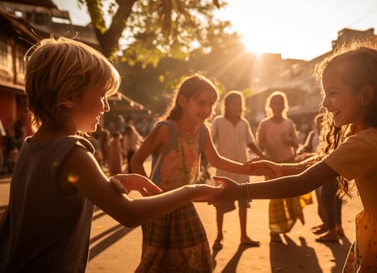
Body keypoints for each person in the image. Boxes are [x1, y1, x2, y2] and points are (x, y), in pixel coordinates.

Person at [213, 42, 377, 272]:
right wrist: (285, 168)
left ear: (364, 94)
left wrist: (240, 191)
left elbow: (304, 183)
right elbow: (331, 159)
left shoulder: (368, 142)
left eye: (332, 93)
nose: (324, 103)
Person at [0, 37, 222, 273]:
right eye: (102, 96)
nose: (106, 107)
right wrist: (191, 191)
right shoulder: (74, 153)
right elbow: (129, 214)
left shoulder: (30, 146)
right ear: (69, 97)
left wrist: (108, 184)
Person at [130, 74, 271, 272]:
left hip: (185, 200)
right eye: (201, 103)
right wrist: (148, 193)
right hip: (160, 203)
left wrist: (245, 168)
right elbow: (136, 160)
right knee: (156, 258)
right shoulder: (165, 129)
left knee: (198, 249)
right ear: (182, 101)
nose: (206, 110)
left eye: (211, 104)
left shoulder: (202, 131)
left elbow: (216, 160)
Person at [210, 90, 265, 251]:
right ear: (226, 106)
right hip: (223, 170)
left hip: (243, 170)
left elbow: (250, 143)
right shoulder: (218, 122)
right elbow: (210, 141)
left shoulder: (244, 123)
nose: (238, 107)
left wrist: (262, 156)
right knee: (220, 204)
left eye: (240, 104)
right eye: (234, 104)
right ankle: (219, 236)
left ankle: (244, 235)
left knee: (243, 203)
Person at [256, 91, 310, 243]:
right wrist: (267, 145)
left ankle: (288, 225)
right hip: (271, 165)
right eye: (274, 103)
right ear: (270, 105)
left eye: (280, 103)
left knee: (290, 195)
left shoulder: (289, 123)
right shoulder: (265, 123)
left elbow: (296, 143)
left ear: (284, 105)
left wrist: (289, 140)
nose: (277, 106)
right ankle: (274, 231)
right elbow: (258, 143)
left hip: (288, 161)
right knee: (275, 198)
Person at [298, 113, 344, 243]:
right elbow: (309, 148)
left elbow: (327, 154)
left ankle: (334, 229)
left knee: (331, 199)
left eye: (321, 123)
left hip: (329, 171)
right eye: (317, 124)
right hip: (318, 170)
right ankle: (330, 225)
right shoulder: (313, 135)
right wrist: (303, 153)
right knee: (324, 199)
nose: (319, 126)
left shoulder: (332, 135)